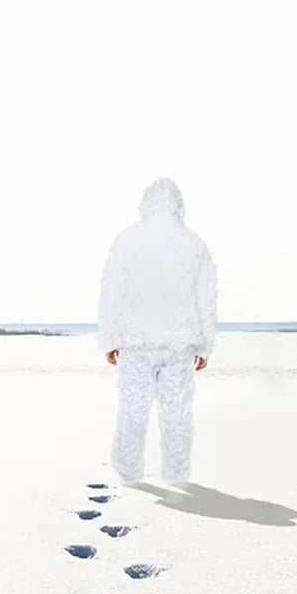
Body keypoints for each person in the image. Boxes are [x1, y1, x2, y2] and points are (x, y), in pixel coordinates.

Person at [97, 177, 218, 485]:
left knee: (132, 408)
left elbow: (111, 292)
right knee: (177, 411)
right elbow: (206, 298)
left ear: (146, 203)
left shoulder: (127, 240)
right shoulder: (194, 244)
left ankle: (128, 472)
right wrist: (205, 345)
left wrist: (109, 338)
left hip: (135, 342)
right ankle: (177, 474)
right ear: (178, 204)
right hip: (179, 343)